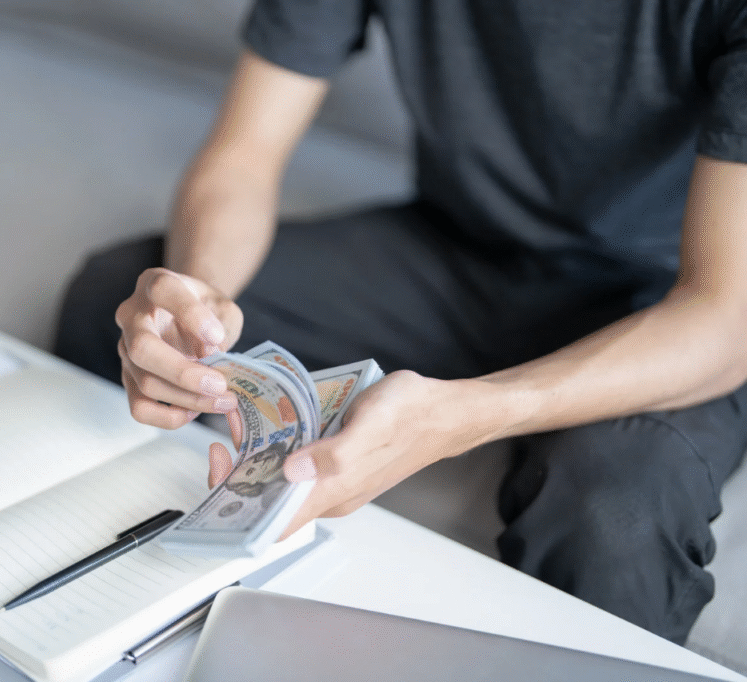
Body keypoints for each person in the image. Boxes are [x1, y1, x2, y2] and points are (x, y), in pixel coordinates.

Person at [54, 0, 747, 644]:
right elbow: (243, 155)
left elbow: (723, 317)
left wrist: (469, 415)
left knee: (613, 520)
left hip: (664, 303)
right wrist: (200, 305)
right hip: (453, 247)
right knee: (120, 304)